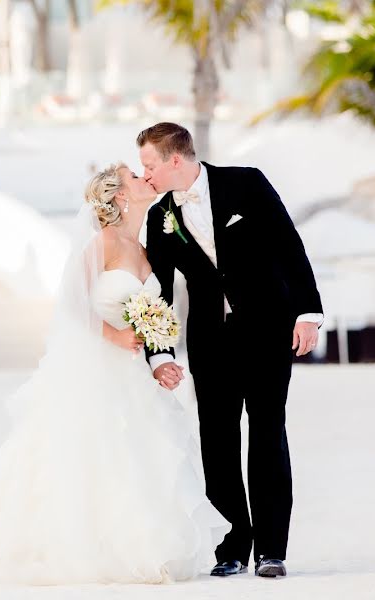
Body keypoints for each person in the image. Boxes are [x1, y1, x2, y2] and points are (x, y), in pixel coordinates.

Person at [0, 164, 229, 584]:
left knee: (139, 452)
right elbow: (72, 303)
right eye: (133, 175)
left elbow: (148, 310)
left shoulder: (144, 246)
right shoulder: (102, 243)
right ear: (121, 196)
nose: (143, 177)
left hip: (132, 372)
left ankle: (142, 546)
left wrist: (155, 351)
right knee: (93, 451)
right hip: (96, 365)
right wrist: (113, 334)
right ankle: (87, 547)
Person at [138, 122, 323, 578]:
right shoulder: (160, 216)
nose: (145, 176)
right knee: (216, 445)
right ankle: (235, 543)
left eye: (149, 165)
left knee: (266, 435)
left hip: (267, 332)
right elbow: (157, 290)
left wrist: (307, 313)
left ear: (174, 160)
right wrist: (160, 354)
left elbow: (288, 245)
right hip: (210, 343)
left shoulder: (247, 182)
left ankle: (272, 550)